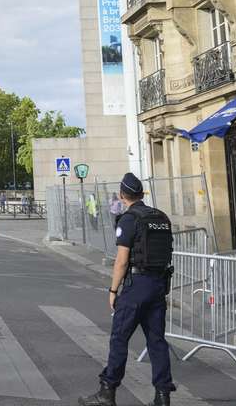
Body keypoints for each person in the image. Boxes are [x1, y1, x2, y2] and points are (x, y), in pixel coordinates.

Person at [79, 173, 175, 406]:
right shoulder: (160, 217)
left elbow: (122, 261)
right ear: (141, 194)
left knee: (119, 338)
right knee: (156, 341)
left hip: (136, 287)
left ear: (122, 196)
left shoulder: (129, 219)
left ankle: (107, 392)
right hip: (158, 285)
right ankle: (162, 396)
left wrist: (113, 291)